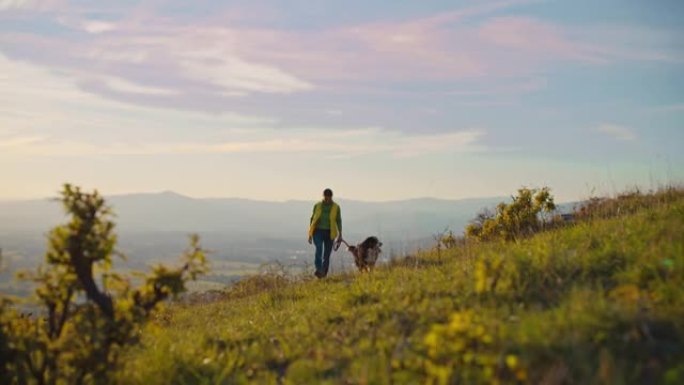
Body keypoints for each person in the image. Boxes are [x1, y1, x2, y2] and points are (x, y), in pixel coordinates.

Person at [308, 188, 342, 278]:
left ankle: (323, 273)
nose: (327, 199)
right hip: (317, 231)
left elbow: (338, 220)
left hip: (330, 232)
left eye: (328, 198)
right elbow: (312, 219)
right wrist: (310, 234)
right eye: (325, 197)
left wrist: (340, 234)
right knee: (319, 248)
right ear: (323, 196)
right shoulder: (317, 205)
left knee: (327, 254)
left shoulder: (336, 207)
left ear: (331, 197)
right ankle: (319, 269)